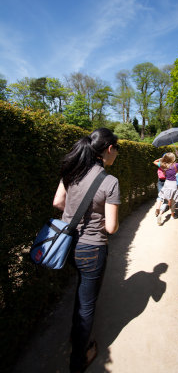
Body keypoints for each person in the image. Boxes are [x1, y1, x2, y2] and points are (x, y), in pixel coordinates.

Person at [53, 128, 120, 373]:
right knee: (86, 304)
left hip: (69, 245)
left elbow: (58, 203)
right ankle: (78, 361)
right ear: (109, 149)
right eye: (117, 150)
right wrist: (102, 221)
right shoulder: (110, 181)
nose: (117, 154)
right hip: (93, 250)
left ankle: (75, 338)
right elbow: (112, 227)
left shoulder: (72, 171)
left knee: (81, 294)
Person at [153, 152, 178, 225]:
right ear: (173, 159)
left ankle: (160, 213)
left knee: (165, 200)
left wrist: (162, 159)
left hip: (167, 184)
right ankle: (172, 216)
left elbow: (154, 162)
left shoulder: (163, 165)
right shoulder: (175, 165)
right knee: (172, 201)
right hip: (173, 184)